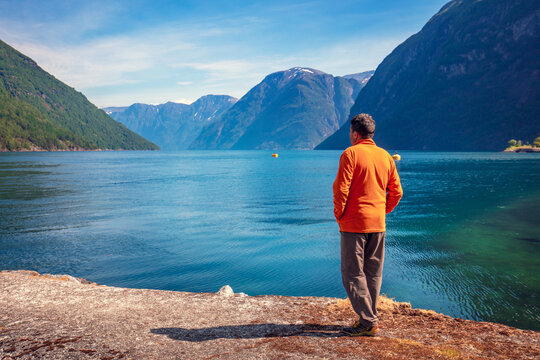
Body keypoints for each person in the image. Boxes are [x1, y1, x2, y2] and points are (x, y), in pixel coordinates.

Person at [333, 113, 403, 336]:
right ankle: (367, 318)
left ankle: (368, 321)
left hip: (354, 224)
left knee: (352, 274)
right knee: (373, 273)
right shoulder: (385, 157)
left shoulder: (350, 154)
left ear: (354, 134)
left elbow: (341, 189)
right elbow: (397, 192)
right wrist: (383, 211)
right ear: (371, 133)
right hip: (378, 224)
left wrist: (340, 215)